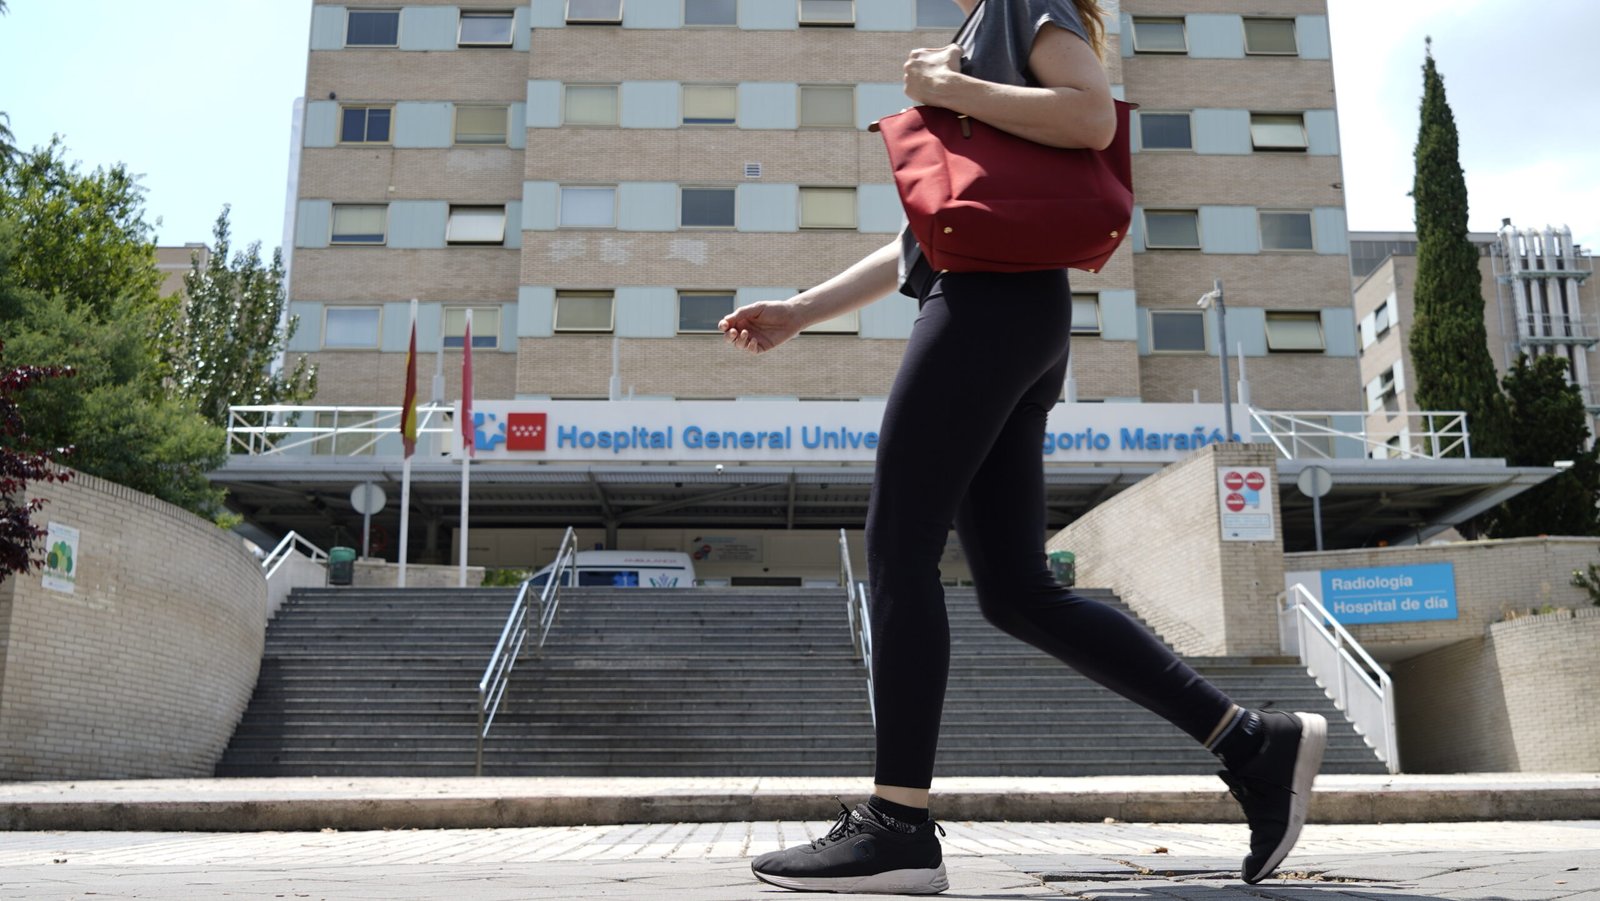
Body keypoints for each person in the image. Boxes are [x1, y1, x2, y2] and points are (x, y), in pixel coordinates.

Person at [720, 0, 1326, 893]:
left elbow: (1090, 115)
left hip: (988, 306)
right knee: (1015, 590)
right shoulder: (984, 29)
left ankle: (897, 825)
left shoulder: (1015, 6)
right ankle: (1252, 742)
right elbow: (926, 235)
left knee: (899, 545)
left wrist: (949, 87)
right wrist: (800, 311)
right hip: (1009, 305)